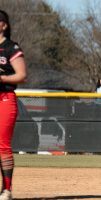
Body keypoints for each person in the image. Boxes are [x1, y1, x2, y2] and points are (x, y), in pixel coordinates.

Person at [0, 10, 27, 200]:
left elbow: (21, 75)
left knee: (2, 145)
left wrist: (1, 77)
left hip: (5, 99)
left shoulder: (10, 47)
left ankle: (6, 190)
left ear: (4, 25)